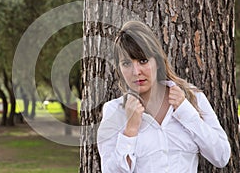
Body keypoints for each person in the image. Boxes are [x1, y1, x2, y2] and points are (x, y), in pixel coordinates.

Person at [97, 21, 231, 173]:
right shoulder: (114, 111)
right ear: (119, 69)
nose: (136, 71)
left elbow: (221, 157)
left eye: (143, 61)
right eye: (127, 63)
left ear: (158, 62)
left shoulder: (193, 99)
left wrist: (186, 112)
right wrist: (130, 130)